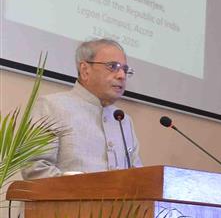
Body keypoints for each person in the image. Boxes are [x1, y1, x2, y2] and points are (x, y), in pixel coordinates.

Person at [24, 38, 142, 179]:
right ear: (85, 70)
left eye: (125, 69)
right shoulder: (52, 106)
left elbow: (137, 176)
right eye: (112, 66)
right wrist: (84, 189)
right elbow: (35, 168)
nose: (122, 75)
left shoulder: (123, 120)